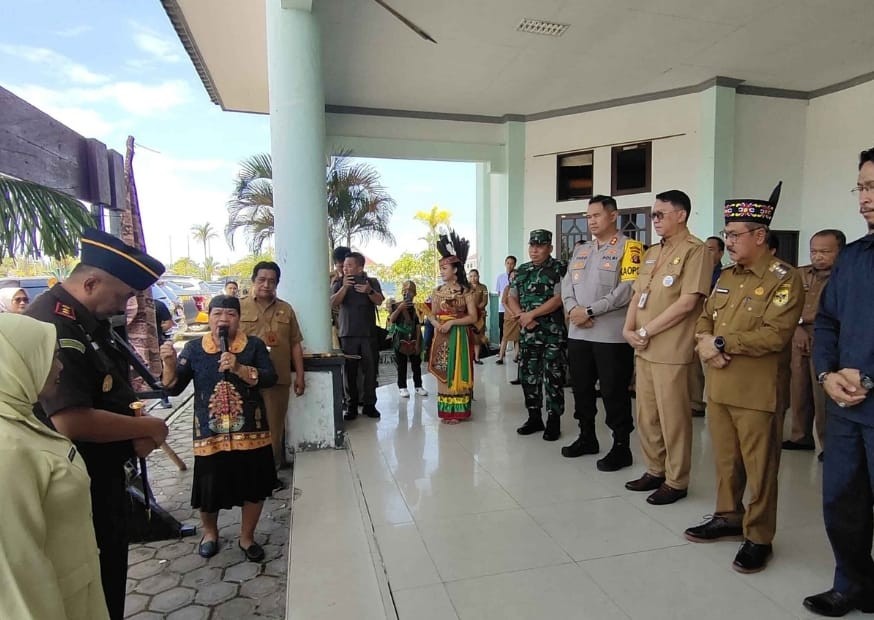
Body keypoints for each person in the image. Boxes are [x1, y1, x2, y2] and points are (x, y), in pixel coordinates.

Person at [26, 228, 170, 620]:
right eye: (122, 295)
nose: (125, 305)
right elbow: (70, 419)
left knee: (108, 576)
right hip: (77, 479)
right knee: (95, 583)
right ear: (91, 282)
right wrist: (145, 429)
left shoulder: (82, 320)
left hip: (99, 475)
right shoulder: (54, 325)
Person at [686, 182, 803, 574]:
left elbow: (775, 334)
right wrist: (705, 340)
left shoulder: (784, 278)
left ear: (760, 235)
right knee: (724, 460)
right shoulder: (727, 275)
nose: (728, 241)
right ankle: (727, 516)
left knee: (760, 468)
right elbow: (705, 315)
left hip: (757, 391)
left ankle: (758, 536)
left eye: (735, 235)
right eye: (727, 234)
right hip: (719, 386)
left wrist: (719, 342)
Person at [0, 314, 110, 620]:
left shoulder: (20, 418)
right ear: (18, 362)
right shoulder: (6, 448)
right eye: (51, 358)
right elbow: (15, 576)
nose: (60, 367)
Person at [803, 147, 874, 618]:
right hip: (847, 405)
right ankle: (852, 584)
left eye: (873, 187)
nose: (865, 198)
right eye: (862, 187)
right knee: (842, 501)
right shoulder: (851, 258)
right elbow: (826, 322)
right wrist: (828, 374)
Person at [160, 295, 278, 562]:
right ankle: (210, 534)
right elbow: (173, 386)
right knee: (209, 489)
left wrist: (239, 368)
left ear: (238, 318)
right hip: (210, 434)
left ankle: (246, 538)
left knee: (254, 486)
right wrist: (168, 364)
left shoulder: (254, 346)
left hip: (251, 430)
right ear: (209, 316)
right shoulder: (193, 348)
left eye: (230, 314)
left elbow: (270, 378)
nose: (223, 320)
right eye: (217, 314)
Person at [623, 191, 711, 501]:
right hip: (643, 346)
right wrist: (628, 327)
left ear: (681, 215)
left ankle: (676, 480)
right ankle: (654, 469)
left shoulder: (696, 251)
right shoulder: (650, 253)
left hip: (671, 348)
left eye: (661, 214)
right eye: (653, 215)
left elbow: (688, 303)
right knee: (646, 415)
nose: (655, 220)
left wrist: (646, 329)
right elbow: (637, 294)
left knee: (673, 417)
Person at [560, 195, 643, 471]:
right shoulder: (581, 250)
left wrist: (590, 311)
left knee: (613, 391)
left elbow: (627, 289)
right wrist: (573, 310)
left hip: (610, 336)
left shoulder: (630, 248)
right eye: (588, 216)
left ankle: (621, 447)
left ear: (612, 216)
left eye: (596, 215)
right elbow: (567, 285)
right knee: (581, 389)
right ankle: (587, 437)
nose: (591, 221)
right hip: (578, 334)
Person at [783, 230, 845, 456]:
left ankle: (829, 445)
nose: (818, 256)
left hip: (828, 337)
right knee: (798, 388)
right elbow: (786, 305)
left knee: (823, 395)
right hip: (797, 333)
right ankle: (800, 437)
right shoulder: (798, 274)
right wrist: (796, 327)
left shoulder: (845, 276)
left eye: (825, 251)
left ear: (841, 251)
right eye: (814, 251)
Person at [239, 261, 305, 471]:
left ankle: (270, 472)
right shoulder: (238, 308)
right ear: (253, 280)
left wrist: (300, 376)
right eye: (262, 280)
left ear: (277, 283)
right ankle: (248, 471)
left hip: (277, 379)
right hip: (245, 379)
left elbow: (295, 343)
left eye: (272, 281)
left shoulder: (286, 309)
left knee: (275, 427)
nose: (266, 285)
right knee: (247, 425)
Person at [505, 229, 567, 441]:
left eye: (539, 246)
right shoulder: (522, 270)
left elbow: (559, 299)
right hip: (528, 333)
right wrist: (522, 315)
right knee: (528, 376)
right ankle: (534, 417)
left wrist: (532, 314)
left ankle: (553, 421)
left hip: (552, 334)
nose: (534, 250)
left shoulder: (559, 268)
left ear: (549, 248)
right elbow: (511, 297)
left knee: (553, 377)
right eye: (532, 246)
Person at [425, 230, 477, 423]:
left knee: (458, 369)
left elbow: (472, 317)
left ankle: (458, 412)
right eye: (441, 268)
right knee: (443, 368)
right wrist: (437, 324)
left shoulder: (467, 291)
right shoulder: (437, 291)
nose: (442, 271)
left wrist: (453, 322)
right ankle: (446, 411)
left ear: (455, 270)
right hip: (441, 335)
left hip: (459, 335)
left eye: (445, 268)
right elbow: (431, 313)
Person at [331, 251, 385, 420]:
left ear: (360, 268)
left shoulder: (372, 282)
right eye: (344, 265)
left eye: (349, 265)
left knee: (370, 371)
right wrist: (345, 287)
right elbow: (332, 302)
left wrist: (369, 291)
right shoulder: (339, 282)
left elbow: (380, 300)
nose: (345, 268)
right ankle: (351, 406)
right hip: (348, 334)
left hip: (368, 334)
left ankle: (370, 405)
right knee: (350, 372)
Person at [689, 236, 727, 417]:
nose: (706, 252)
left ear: (721, 253)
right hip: (696, 323)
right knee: (694, 365)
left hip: (716, 327)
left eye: (711, 249)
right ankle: (696, 402)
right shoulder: (696, 270)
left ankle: (707, 402)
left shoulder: (724, 275)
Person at [388, 281, 427, 398]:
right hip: (400, 339)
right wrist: (400, 309)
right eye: (405, 291)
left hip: (415, 337)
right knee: (401, 365)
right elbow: (392, 320)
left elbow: (419, 325)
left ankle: (418, 386)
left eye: (410, 291)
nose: (407, 293)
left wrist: (418, 344)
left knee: (416, 364)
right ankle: (402, 387)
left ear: (414, 293)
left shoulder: (418, 307)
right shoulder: (396, 305)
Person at [496, 269, 520, 365]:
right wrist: (511, 313)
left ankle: (516, 356)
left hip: (518, 317)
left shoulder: (521, 288)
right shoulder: (507, 288)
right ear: (509, 278)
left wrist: (518, 313)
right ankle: (501, 357)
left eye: (515, 277)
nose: (513, 278)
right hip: (508, 317)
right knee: (505, 337)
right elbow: (503, 302)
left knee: (517, 338)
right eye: (512, 277)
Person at [468, 268, 489, 364]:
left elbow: (484, 301)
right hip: (467, 316)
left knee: (478, 337)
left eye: (475, 276)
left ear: (478, 276)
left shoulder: (483, 287)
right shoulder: (466, 288)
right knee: (468, 337)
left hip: (480, 316)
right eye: (471, 276)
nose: (473, 278)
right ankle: (468, 358)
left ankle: (476, 358)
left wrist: (476, 310)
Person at [495, 255, 517, 346]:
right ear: (505, 264)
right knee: (502, 328)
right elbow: (499, 293)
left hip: (515, 310)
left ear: (515, 265)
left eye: (512, 263)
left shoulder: (517, 277)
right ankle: (501, 350)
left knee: (516, 330)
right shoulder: (500, 277)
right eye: (508, 263)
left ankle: (516, 351)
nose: (509, 265)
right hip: (503, 308)